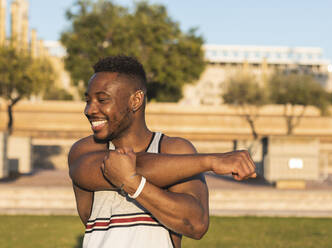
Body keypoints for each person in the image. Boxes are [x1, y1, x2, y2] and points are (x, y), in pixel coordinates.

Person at [68, 55, 257, 248]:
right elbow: (124, 164)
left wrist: (133, 183)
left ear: (136, 100)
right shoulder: (83, 151)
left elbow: (196, 224)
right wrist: (210, 161)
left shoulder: (175, 149)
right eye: (88, 100)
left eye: (102, 99)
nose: (89, 109)